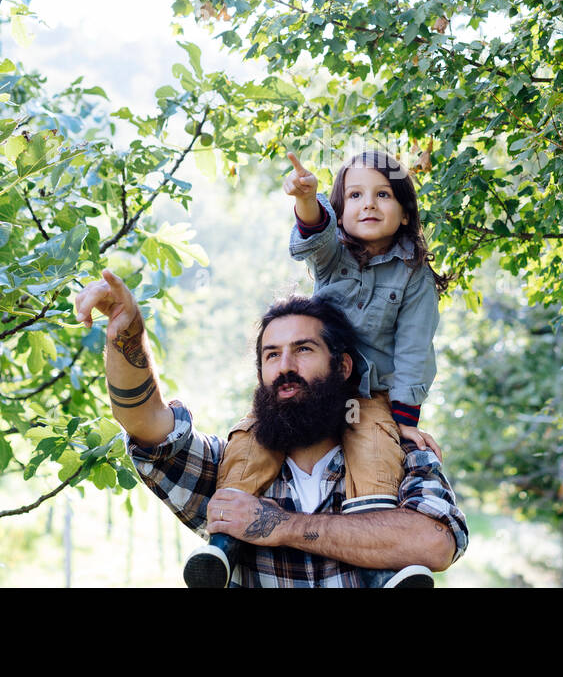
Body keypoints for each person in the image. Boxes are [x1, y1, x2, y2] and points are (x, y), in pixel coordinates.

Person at [73, 269, 467, 587]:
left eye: (304, 349)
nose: (285, 367)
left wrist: (282, 526)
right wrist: (128, 332)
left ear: (343, 367)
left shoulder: (398, 453)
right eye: (272, 355)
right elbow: (146, 423)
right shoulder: (228, 467)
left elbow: (433, 542)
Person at [188, 149, 451, 587]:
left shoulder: (414, 275)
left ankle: (385, 573)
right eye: (355, 195)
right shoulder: (335, 258)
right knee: (251, 442)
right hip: (312, 386)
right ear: (341, 209)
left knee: (374, 454)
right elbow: (316, 235)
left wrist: (405, 420)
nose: (368, 204)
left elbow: (414, 349)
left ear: (405, 213)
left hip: (367, 397)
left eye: (383, 194)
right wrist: (308, 200)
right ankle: (221, 550)